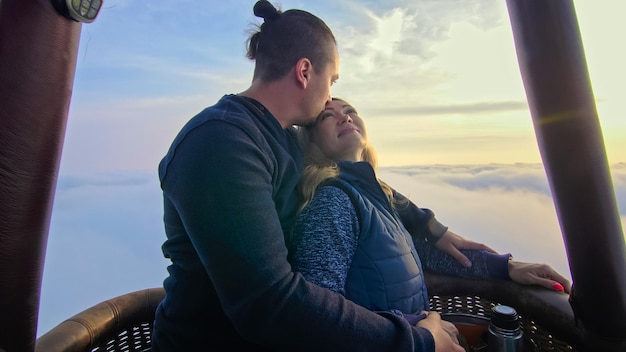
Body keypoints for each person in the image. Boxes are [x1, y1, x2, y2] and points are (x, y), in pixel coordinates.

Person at [152, 1, 471, 351]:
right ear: (305, 72)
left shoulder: (282, 139)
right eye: (331, 80)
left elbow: (355, 182)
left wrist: (429, 226)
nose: (331, 96)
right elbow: (269, 305)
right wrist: (417, 342)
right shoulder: (222, 143)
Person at [289, 97, 572, 347]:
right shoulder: (332, 202)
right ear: (310, 142)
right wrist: (420, 331)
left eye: (350, 110)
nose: (345, 116)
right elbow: (317, 316)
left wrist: (506, 267)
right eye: (328, 115)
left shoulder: (376, 198)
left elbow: (426, 255)